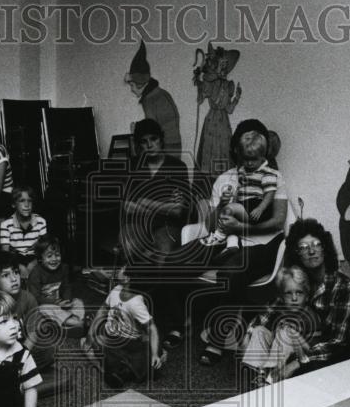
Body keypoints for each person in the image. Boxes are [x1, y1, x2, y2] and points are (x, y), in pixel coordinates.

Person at [152, 119, 289, 363]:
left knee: (230, 273)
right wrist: (224, 205)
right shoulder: (225, 178)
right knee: (173, 260)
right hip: (223, 237)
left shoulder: (274, 178)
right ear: (237, 148)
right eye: (243, 142)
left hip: (262, 243)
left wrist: (243, 227)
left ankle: (217, 340)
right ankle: (178, 323)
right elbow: (212, 224)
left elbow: (279, 221)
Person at [274, 219, 350, 376]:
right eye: (303, 247)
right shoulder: (298, 280)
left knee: (299, 374)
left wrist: (297, 362)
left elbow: (338, 342)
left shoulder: (343, 285)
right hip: (304, 343)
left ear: (325, 249)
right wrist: (253, 328)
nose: (311, 251)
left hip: (334, 353)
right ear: (297, 254)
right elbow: (276, 306)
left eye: (316, 244)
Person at [120, 119, 191, 264]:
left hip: (167, 225)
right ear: (139, 144)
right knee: (129, 244)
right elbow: (127, 207)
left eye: (154, 139)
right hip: (137, 223)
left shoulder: (177, 166)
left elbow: (178, 211)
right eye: (144, 141)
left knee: (164, 250)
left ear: (161, 139)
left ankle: (159, 285)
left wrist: (144, 201)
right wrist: (164, 207)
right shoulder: (133, 165)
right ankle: (130, 283)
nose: (149, 145)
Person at [82, 266, 165, 389]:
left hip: (126, 343)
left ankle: (113, 371)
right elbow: (102, 310)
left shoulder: (136, 303)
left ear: (127, 278)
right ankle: (126, 369)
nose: (118, 270)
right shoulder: (116, 290)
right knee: (90, 338)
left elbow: (151, 328)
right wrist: (90, 333)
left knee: (84, 342)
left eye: (121, 269)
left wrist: (154, 355)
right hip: (115, 339)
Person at [239, 265, 314, 387]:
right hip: (275, 353)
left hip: (296, 358)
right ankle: (260, 372)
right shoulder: (280, 310)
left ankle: (271, 378)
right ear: (282, 297)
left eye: (299, 293)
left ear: (307, 296)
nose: (294, 298)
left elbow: (310, 348)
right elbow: (261, 322)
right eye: (288, 294)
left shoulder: (309, 316)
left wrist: (295, 335)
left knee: (285, 333)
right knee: (259, 331)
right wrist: (249, 334)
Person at [125, 41, 182, 154]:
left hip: (165, 148)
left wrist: (136, 130)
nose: (131, 89)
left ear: (140, 83)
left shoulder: (149, 99)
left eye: (132, 85)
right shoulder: (162, 92)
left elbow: (151, 131)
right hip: (176, 145)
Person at [27, 234, 85, 334]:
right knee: (44, 309)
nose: (54, 259)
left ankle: (69, 323)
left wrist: (67, 300)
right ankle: (77, 323)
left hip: (60, 303)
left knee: (78, 302)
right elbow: (35, 297)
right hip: (45, 304)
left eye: (57, 255)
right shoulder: (36, 273)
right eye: (49, 256)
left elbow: (67, 286)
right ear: (40, 258)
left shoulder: (64, 268)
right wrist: (55, 303)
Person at [0, 186, 48, 278]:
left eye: (30, 201)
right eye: (22, 201)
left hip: (35, 259)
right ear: (14, 204)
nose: (27, 205)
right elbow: (5, 253)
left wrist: (33, 264)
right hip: (14, 258)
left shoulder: (41, 221)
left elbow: (44, 249)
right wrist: (19, 266)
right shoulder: (6, 224)